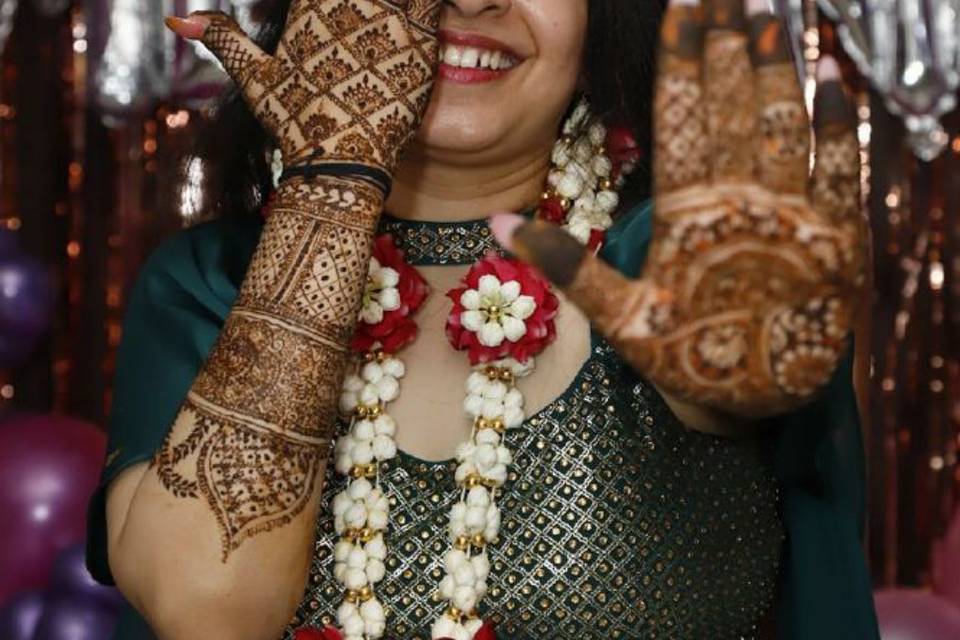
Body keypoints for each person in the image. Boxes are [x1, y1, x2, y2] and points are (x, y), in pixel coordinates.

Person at [84, 0, 879, 637]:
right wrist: (335, 175)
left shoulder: (657, 262)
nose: (472, 1)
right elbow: (209, 613)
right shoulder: (209, 288)